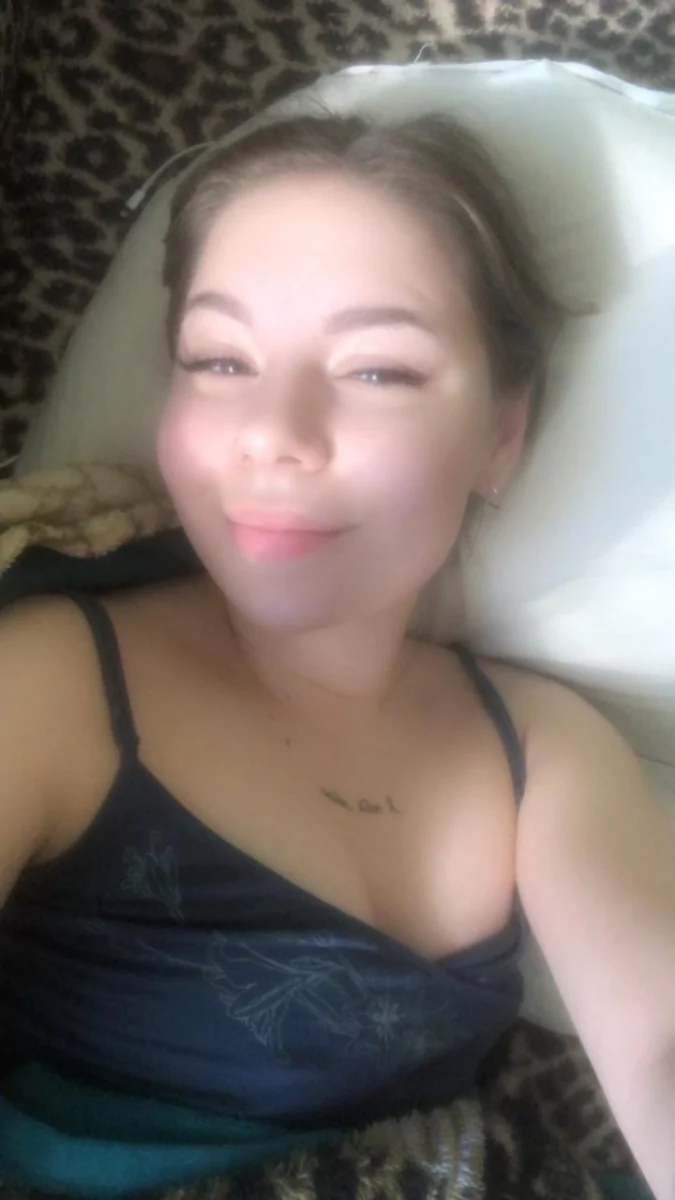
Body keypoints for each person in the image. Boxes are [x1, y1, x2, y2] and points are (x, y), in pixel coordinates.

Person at [0, 113, 673, 1200]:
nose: (275, 430)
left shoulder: (544, 750)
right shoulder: (45, 686)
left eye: (377, 371)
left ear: (501, 437)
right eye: (220, 359)